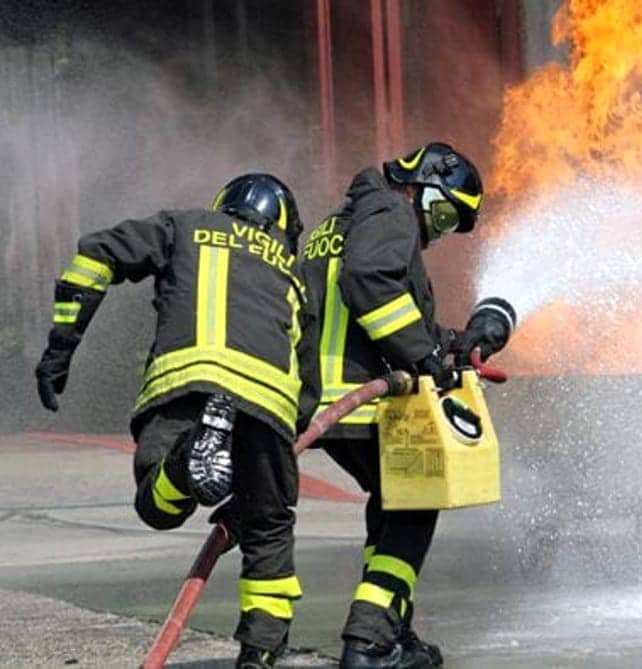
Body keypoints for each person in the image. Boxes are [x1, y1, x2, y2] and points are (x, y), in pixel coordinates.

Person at [34, 173, 310, 669]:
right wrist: (267, 471)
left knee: (158, 506)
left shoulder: (184, 226)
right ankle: (260, 651)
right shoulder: (291, 273)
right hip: (266, 403)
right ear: (283, 227)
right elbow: (306, 378)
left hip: (188, 384)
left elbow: (97, 255)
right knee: (269, 525)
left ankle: (186, 464)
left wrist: (61, 346)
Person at [297, 142, 515, 668]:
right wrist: (423, 356)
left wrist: (454, 343)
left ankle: (391, 632)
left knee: (393, 504)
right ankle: (368, 643)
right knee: (415, 506)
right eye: (443, 216)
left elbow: (378, 308)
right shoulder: (390, 210)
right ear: (421, 186)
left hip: (323, 397)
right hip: (358, 398)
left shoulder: (346, 221)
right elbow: (368, 282)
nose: (436, 233)